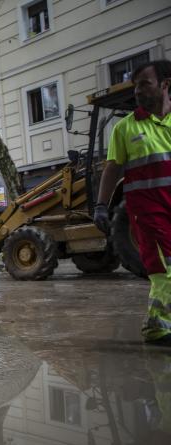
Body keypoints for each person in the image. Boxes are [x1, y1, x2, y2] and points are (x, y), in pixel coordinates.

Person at [95, 60, 171, 346]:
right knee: (165, 269)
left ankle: (159, 323)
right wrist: (101, 205)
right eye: (135, 86)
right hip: (150, 212)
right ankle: (158, 328)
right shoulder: (125, 128)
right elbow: (113, 168)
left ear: (165, 85)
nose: (137, 91)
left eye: (144, 84)